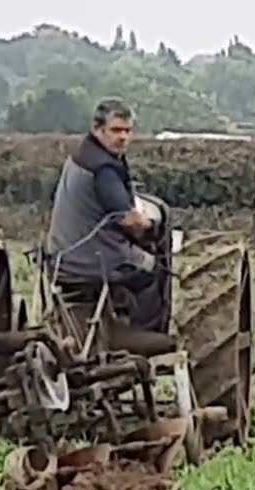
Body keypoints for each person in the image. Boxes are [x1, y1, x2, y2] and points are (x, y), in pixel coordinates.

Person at [44, 98, 164, 331]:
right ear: (98, 130)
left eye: (128, 131)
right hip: (96, 263)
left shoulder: (80, 156)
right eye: (116, 130)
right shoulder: (104, 169)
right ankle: (148, 340)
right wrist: (151, 226)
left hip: (61, 261)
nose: (123, 137)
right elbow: (130, 221)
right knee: (152, 270)